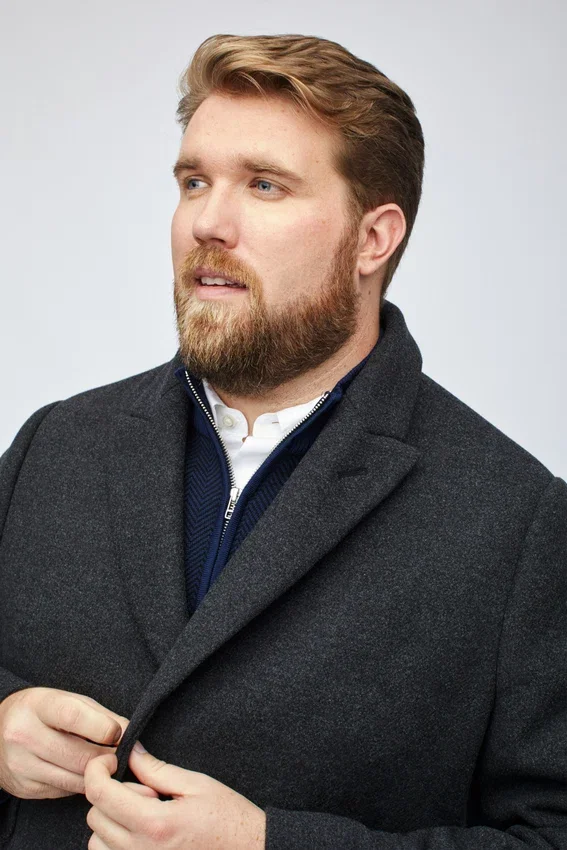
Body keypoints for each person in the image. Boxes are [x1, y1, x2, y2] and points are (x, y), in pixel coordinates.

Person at [0, 32, 565, 850]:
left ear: (372, 239)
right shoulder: (53, 447)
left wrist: (269, 843)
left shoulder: (517, 522)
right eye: (194, 182)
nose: (207, 222)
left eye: (264, 185)